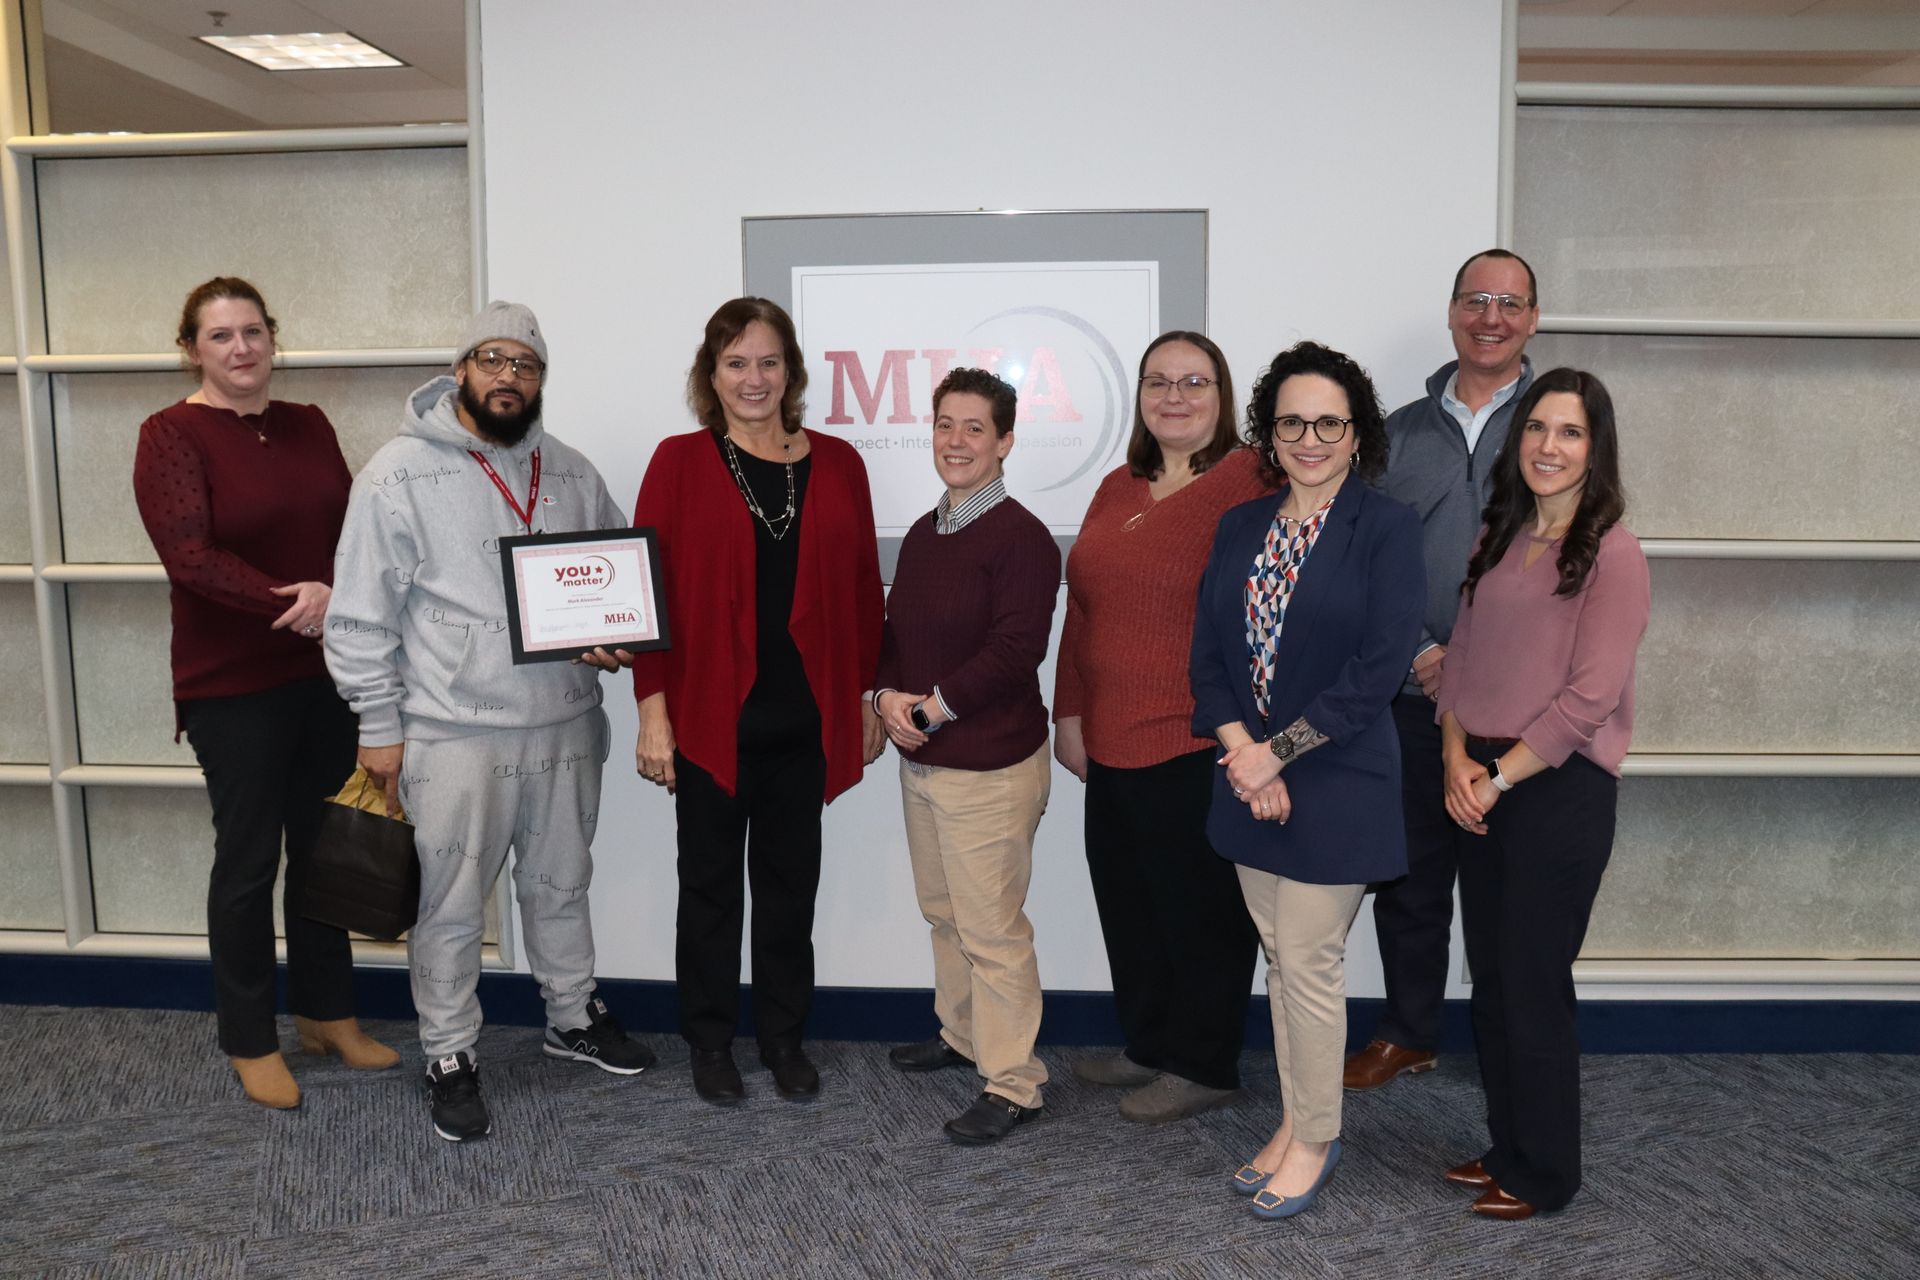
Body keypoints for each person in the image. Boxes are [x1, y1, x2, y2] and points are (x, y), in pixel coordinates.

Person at [326, 301, 655, 1143]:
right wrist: (378, 722)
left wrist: (616, 637)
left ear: (542, 380)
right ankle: (448, 1052)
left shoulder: (574, 472)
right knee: (449, 905)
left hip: (565, 724)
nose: (510, 376)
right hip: (450, 732)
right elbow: (360, 616)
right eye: (493, 359)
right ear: (461, 370)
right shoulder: (395, 475)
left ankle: (572, 1016)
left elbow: (618, 579)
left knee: (562, 884)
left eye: (527, 363)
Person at [133, 276, 399, 1111]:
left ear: (273, 339)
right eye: (221, 337)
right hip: (233, 687)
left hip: (326, 677)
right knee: (248, 861)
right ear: (191, 349)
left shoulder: (308, 424)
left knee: (325, 851)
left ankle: (328, 1014)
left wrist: (344, 596)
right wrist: (301, 601)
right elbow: (191, 557)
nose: (241, 349)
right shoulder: (169, 434)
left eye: (253, 331)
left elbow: (354, 527)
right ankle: (250, 1037)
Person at [1190, 342, 1423, 1220]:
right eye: (1292, 421)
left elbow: (1377, 667)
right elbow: (1209, 656)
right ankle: (1294, 1121)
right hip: (1250, 776)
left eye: (1329, 421)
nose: (1310, 437)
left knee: (1312, 966)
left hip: (1340, 776)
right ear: (1269, 433)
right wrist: (1244, 752)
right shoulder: (1241, 527)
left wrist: (1274, 753)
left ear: (1356, 432)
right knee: (1282, 964)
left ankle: (1317, 1139)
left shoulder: (1386, 528)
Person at [631, 297, 884, 1105]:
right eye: (736, 362)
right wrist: (652, 713)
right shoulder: (677, 461)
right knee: (706, 892)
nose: (754, 378)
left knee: (788, 894)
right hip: (710, 722)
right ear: (711, 375)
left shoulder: (841, 463)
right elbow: (648, 602)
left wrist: (868, 699)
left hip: (804, 722)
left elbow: (860, 598)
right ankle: (710, 1044)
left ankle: (783, 1039)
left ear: (792, 372)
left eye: (768, 361)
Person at [1436, 368, 1650, 1219]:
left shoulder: (1613, 551)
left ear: (1595, 451)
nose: (1547, 447)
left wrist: (1497, 776)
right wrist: (1455, 756)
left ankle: (1547, 1171)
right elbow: (1459, 656)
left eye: (1569, 433)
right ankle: (1507, 1146)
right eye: (1536, 429)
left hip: (1552, 790)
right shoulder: (1497, 531)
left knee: (1532, 983)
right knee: (1491, 979)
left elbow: (1591, 696)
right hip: (1476, 779)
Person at [1053, 331, 1269, 1123]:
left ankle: (1203, 1062)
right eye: (1159, 382)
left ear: (1223, 395)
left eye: (1195, 382)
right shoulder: (1117, 485)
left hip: (1198, 738)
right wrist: (1067, 710)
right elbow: (1083, 608)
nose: (1175, 397)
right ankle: (1147, 1044)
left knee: (1200, 912)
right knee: (1130, 901)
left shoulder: (1253, 482)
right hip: (1110, 736)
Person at [1346, 249, 1541, 1092]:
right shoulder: (1395, 432)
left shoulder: (1556, 421)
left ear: (1533, 317)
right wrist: (1424, 651)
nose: (1490, 316)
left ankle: (1510, 1040)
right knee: (1411, 876)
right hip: (1410, 690)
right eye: (1475, 300)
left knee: (1512, 891)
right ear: (1452, 311)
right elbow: (1366, 561)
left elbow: (1578, 559)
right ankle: (1409, 1030)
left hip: (1522, 706)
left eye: (1509, 302)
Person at [876, 368, 1060, 1144]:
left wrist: (929, 708)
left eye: (974, 427)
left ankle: (1015, 1082)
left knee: (992, 930)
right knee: (944, 914)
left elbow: (1015, 652)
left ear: (1005, 441)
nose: (956, 441)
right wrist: (884, 698)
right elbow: (894, 632)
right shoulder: (926, 531)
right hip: (922, 758)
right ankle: (963, 1038)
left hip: (988, 766)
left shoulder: (1022, 538)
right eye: (945, 425)